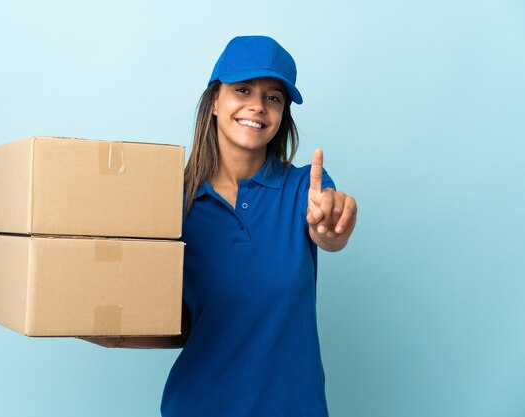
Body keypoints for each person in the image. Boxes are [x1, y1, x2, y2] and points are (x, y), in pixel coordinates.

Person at [83, 35, 357, 417]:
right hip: (199, 405)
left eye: (273, 97)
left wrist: (334, 226)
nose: (257, 107)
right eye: (242, 89)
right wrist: (98, 326)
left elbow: (328, 231)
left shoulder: (303, 189)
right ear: (214, 101)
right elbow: (177, 323)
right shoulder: (172, 205)